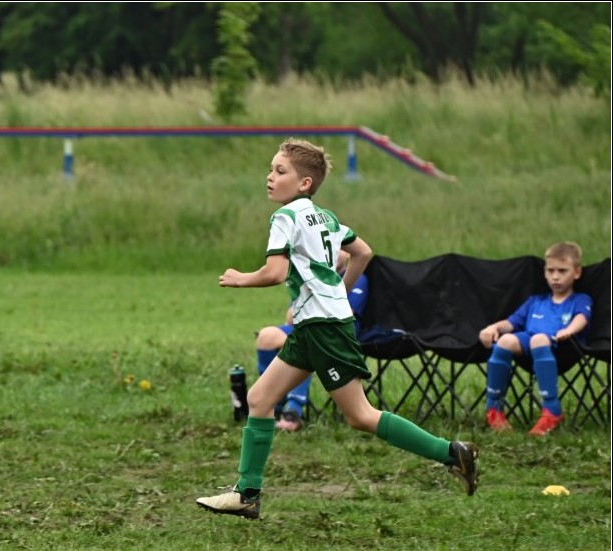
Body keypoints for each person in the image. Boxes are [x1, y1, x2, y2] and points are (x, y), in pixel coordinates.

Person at [196, 138, 479, 520]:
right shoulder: (326, 217)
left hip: (324, 329)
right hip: (317, 324)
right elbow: (362, 252)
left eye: (280, 171)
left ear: (304, 184)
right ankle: (247, 493)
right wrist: (339, 292)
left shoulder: (285, 218)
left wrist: (240, 278)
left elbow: (276, 272)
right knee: (260, 399)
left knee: (360, 416)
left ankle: (452, 453)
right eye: (271, 169)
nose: (270, 177)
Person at [478, 241, 592, 436]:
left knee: (538, 338)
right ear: (545, 272)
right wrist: (493, 327)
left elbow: (582, 317)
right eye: (551, 270)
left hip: (562, 346)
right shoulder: (536, 301)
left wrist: (570, 330)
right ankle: (494, 409)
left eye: (562, 271)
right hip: (528, 342)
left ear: (577, 272)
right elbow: (512, 322)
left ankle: (551, 411)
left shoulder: (580, 299)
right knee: (505, 340)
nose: (555, 276)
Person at [255, 250, 369, 431]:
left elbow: (345, 312)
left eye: (338, 248)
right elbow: (290, 319)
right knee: (266, 336)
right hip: (306, 326)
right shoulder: (311, 276)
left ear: (347, 254)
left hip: (336, 334)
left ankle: (293, 411)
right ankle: (272, 406)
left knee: (308, 342)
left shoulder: (357, 278)